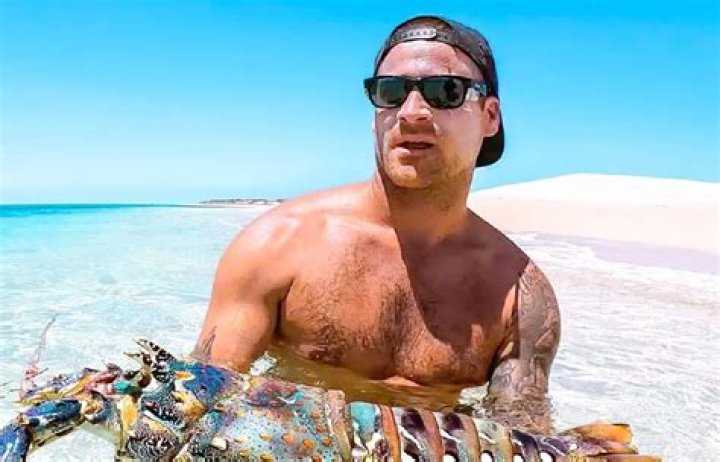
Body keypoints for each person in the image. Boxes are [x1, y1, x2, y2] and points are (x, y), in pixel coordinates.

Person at [192, 15, 560, 429]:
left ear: (489, 116)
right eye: (391, 92)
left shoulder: (518, 299)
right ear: (375, 114)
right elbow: (199, 406)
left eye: (445, 91)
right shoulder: (277, 245)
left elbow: (521, 439)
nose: (411, 112)